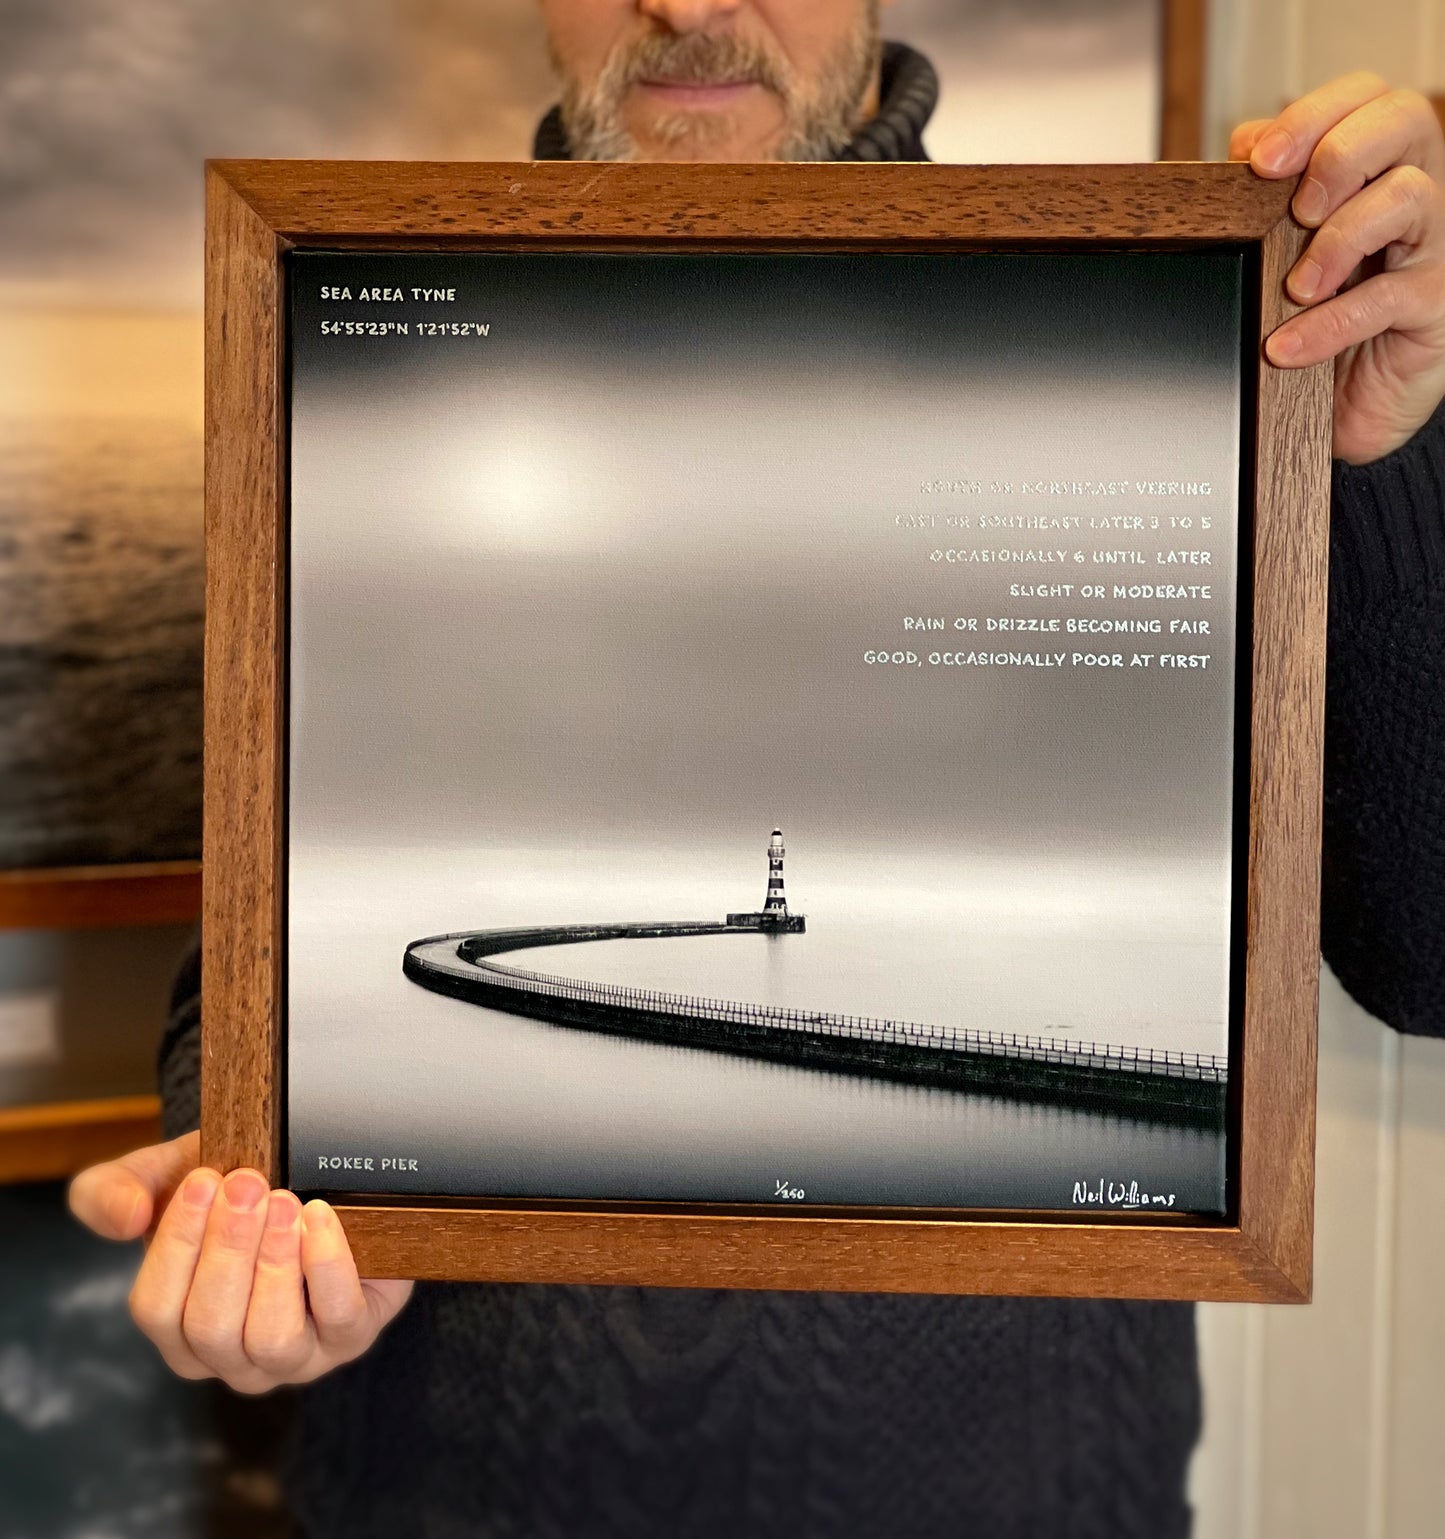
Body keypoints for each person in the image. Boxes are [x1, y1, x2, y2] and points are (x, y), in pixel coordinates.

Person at [69, 3, 1445, 1535]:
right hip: (450, 1494)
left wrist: (1382, 456)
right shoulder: (348, 334)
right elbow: (249, 941)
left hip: (1017, 1500)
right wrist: (254, 1182)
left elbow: (1430, 960)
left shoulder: (1170, 332)